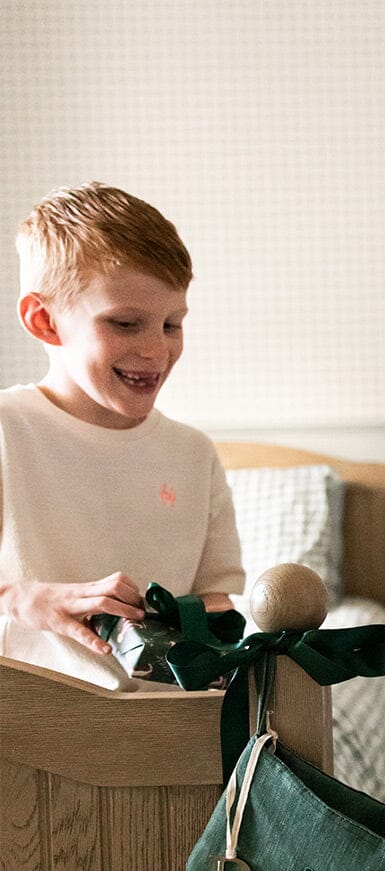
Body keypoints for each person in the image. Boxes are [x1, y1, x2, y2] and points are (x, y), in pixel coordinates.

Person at [0, 181, 244, 689]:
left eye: (172, 324)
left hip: (164, 737)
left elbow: (217, 607)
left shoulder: (193, 455)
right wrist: (24, 600)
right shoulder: (8, 431)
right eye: (127, 323)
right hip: (25, 738)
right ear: (44, 321)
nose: (157, 351)